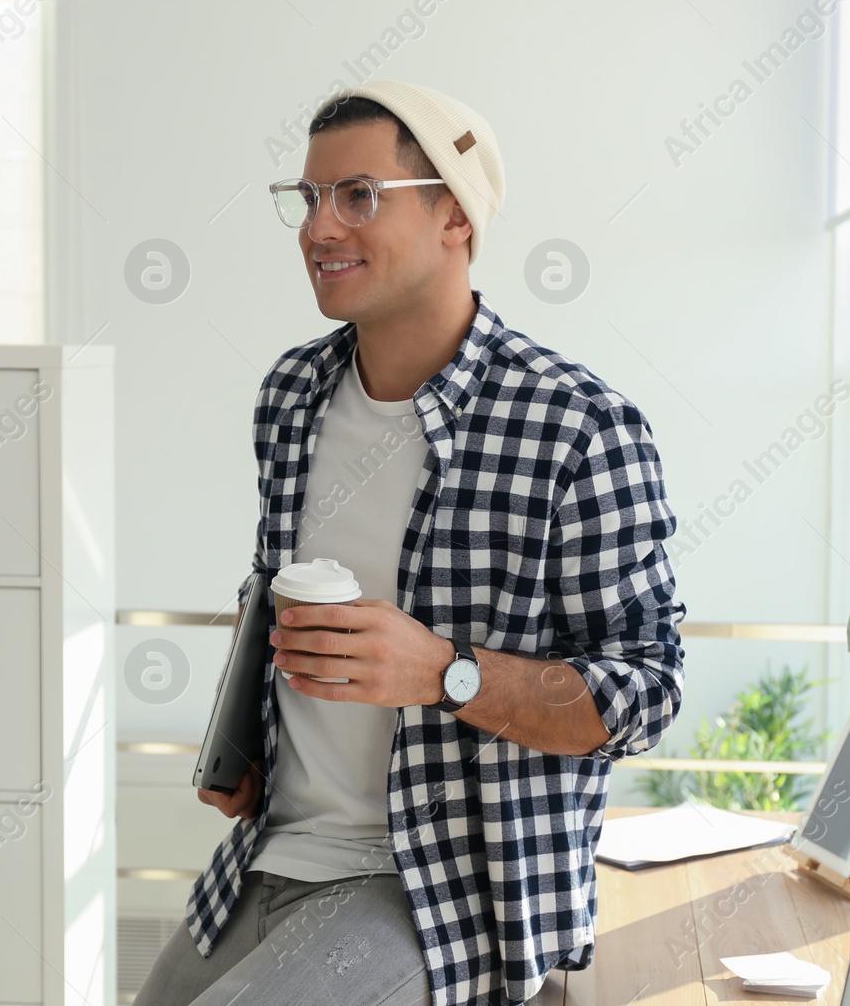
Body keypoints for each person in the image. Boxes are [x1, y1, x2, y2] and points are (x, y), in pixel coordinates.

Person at [131, 80, 685, 1006]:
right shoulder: (292, 396)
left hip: (437, 888)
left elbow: (647, 691)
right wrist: (254, 736)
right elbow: (276, 592)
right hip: (266, 855)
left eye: (359, 196)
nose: (318, 228)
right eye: (307, 199)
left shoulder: (578, 427)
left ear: (454, 218)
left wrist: (442, 672)